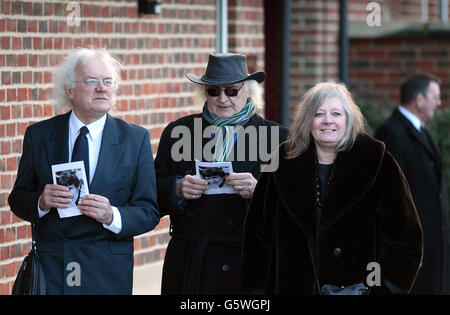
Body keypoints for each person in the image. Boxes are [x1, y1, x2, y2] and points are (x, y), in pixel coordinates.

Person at [242, 82, 423, 295]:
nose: (328, 121)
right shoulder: (282, 161)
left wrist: (380, 289)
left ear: (348, 119)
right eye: (319, 114)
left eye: (336, 113)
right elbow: (257, 235)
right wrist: (257, 292)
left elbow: (405, 239)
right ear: (307, 120)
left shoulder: (377, 162)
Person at [8, 48, 160, 294]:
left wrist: (112, 215)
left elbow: (149, 211)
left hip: (106, 273)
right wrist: (41, 201)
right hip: (53, 269)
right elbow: (17, 199)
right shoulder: (39, 135)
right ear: (70, 91)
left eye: (108, 81)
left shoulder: (135, 138)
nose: (102, 88)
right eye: (92, 81)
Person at [155, 53, 289, 294]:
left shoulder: (277, 138)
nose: (223, 98)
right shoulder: (179, 131)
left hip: (247, 263)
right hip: (191, 261)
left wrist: (259, 192)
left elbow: (296, 209)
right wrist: (176, 188)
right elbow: (149, 193)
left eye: (232, 91)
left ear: (249, 92)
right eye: (214, 91)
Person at [375, 74, 449, 295]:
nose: (438, 103)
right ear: (419, 99)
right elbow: (391, 194)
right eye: (435, 97)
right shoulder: (392, 132)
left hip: (433, 241)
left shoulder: (420, 130)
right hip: (413, 244)